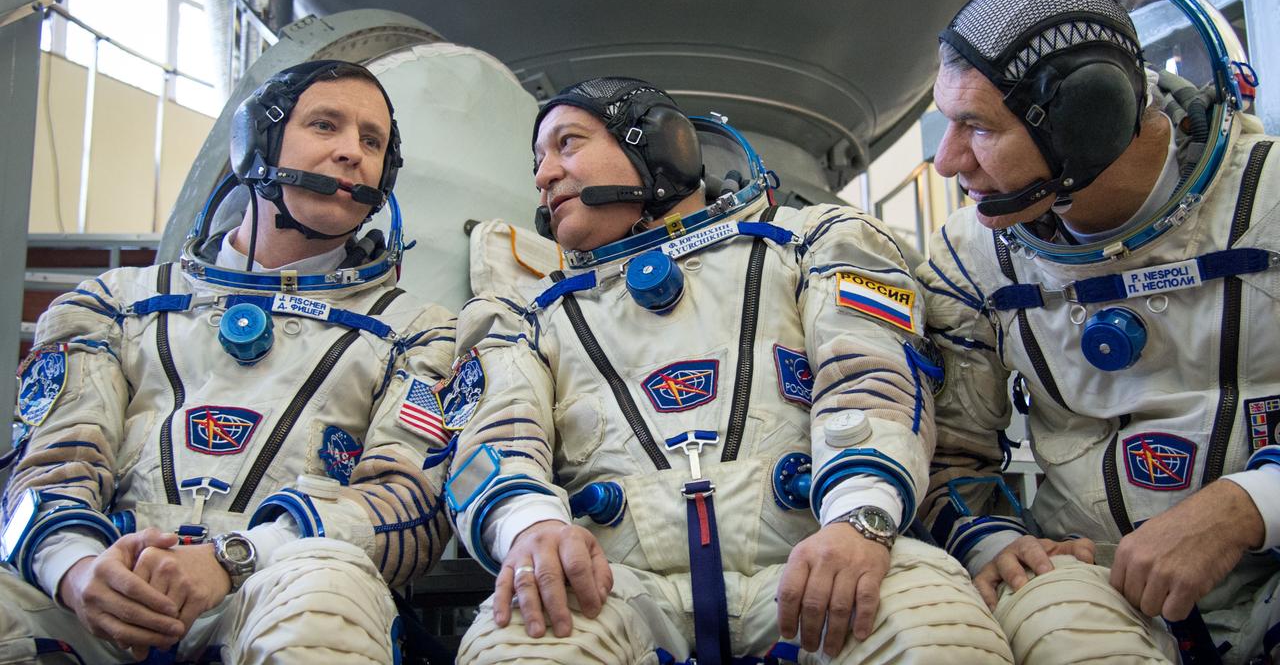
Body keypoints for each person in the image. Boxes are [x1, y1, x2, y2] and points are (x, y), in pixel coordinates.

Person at [446, 77, 1012, 664]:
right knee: (517, 648)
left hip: (822, 552)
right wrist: (530, 531)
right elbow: (495, 443)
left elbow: (871, 378)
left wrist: (859, 518)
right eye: (538, 161)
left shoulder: (812, 242)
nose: (543, 176)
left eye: (567, 144)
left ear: (662, 146)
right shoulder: (521, 315)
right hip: (613, 588)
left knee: (938, 636)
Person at [0, 60, 457, 663]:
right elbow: (51, 470)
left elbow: (408, 505)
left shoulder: (419, 332)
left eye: (372, 141)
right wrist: (76, 568)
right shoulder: (113, 306)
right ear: (257, 143)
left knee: (327, 600)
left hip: (282, 582)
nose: (353, 153)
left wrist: (231, 559)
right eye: (326, 125)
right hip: (111, 580)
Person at [918, 0, 1280, 662]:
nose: (946, 161)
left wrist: (1252, 503)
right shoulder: (970, 258)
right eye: (948, 121)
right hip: (1087, 585)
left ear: (1088, 119)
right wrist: (996, 540)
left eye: (980, 128)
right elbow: (953, 452)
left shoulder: (1268, 203)